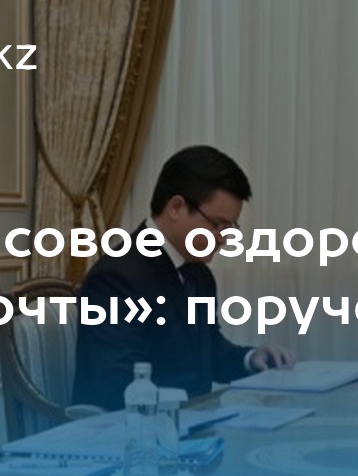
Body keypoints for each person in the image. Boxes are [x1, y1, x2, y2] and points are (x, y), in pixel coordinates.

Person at [74, 145, 295, 409]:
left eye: (230, 227)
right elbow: (119, 387)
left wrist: (251, 358)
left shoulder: (198, 274)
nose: (224, 238)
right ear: (176, 207)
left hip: (190, 421)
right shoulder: (116, 278)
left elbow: (208, 353)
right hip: (130, 429)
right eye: (217, 224)